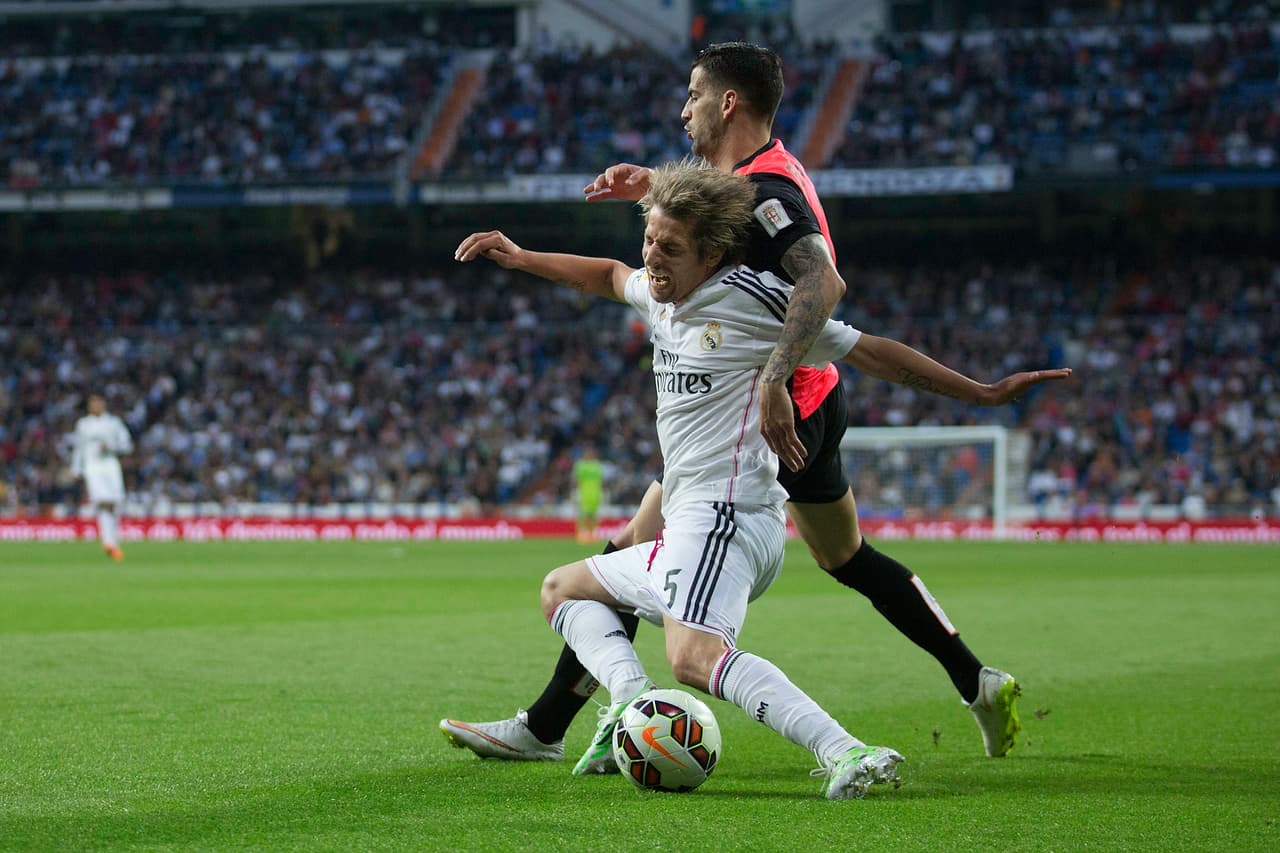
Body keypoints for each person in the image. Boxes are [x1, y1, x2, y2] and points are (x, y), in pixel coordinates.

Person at [442, 43, 1036, 768]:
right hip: (797, 394)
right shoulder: (748, 179)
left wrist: (774, 378)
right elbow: (679, 243)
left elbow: (822, 283)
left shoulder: (770, 192)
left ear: (728, 103)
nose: (682, 108)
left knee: (638, 550)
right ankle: (975, 678)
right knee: (845, 556)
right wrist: (653, 187)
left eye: (693, 95)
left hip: (775, 406)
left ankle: (561, 722)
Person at [70, 393, 133, 561]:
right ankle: (109, 542)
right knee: (102, 502)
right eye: (92, 403)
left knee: (116, 502)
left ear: (103, 404)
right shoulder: (83, 425)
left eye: (98, 403)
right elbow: (79, 448)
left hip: (111, 465)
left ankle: (113, 541)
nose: (95, 406)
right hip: (93, 467)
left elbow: (127, 444)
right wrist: (76, 469)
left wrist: (111, 446)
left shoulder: (113, 423)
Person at [572, 447, 604, 545]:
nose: (589, 455)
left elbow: (601, 481)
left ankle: (592, 534)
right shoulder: (580, 465)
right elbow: (576, 480)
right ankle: (581, 534)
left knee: (593, 515)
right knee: (583, 515)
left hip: (595, 493)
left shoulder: (597, 465)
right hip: (583, 493)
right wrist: (575, 490)